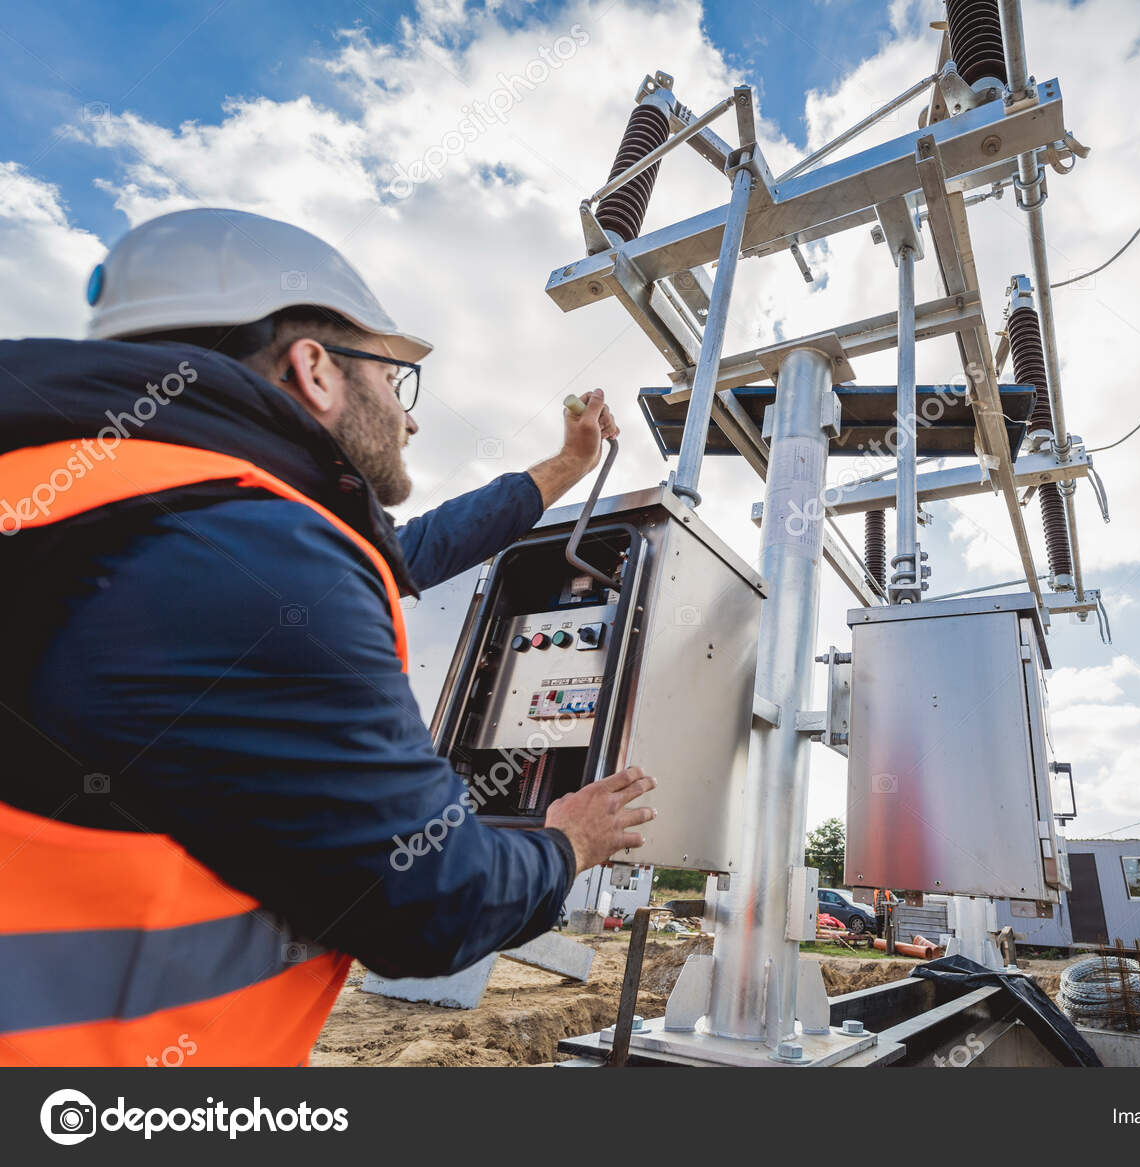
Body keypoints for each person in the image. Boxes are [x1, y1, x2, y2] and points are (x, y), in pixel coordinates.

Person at [0, 208, 655, 1066]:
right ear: (313, 368)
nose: (410, 420)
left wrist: (564, 467)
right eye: (393, 379)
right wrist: (568, 843)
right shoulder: (249, 551)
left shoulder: (91, 494)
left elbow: (403, 552)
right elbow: (429, 900)